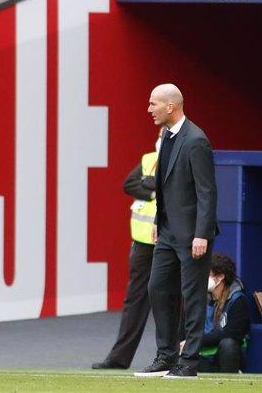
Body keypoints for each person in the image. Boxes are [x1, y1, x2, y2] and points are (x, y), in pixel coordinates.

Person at [135, 83, 219, 379]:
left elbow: (207, 192)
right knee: (157, 288)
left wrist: (202, 234)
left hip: (192, 235)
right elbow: (165, 185)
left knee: (193, 296)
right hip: (168, 231)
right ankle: (166, 357)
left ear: (170, 106)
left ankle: (189, 363)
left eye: (153, 103)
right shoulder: (167, 137)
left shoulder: (196, 140)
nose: (149, 109)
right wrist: (159, 220)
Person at [92, 134, 160, 370]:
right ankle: (119, 358)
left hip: (168, 241)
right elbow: (129, 184)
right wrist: (153, 189)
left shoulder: (182, 161)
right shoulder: (149, 159)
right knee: (134, 301)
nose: (161, 138)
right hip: (142, 242)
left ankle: (175, 356)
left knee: (172, 301)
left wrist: (152, 183)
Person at [184, 253, 250, 373]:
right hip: (202, 356)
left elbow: (232, 334)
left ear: (219, 277)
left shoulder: (237, 300)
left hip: (224, 356)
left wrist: (197, 341)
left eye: (206, 274)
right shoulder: (200, 299)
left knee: (228, 345)